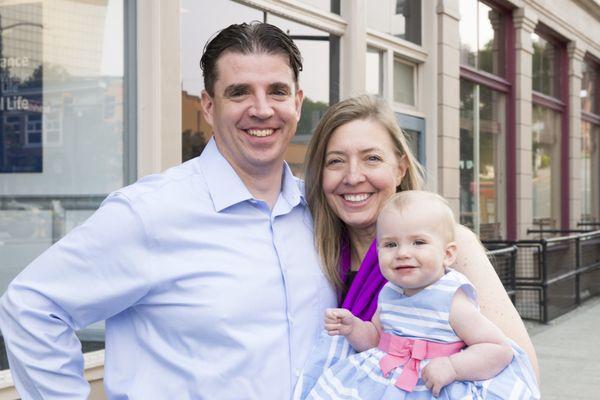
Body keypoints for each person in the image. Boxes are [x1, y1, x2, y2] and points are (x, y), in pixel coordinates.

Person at [0, 22, 335, 399]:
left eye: (277, 91)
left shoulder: (318, 214)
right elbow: (31, 307)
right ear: (209, 106)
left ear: (297, 102)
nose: (261, 109)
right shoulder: (150, 213)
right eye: (239, 93)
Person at [302, 95, 539, 374]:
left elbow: (523, 369)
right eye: (336, 161)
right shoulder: (314, 247)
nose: (353, 177)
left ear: (400, 169)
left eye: (372, 158)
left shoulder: (449, 247)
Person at [304, 191, 539, 399]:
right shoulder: (389, 292)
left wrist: (453, 367)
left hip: (434, 385)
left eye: (418, 242)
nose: (403, 253)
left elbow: (497, 348)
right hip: (386, 383)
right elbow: (375, 338)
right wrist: (353, 327)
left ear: (447, 254)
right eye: (390, 244)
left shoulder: (450, 299)